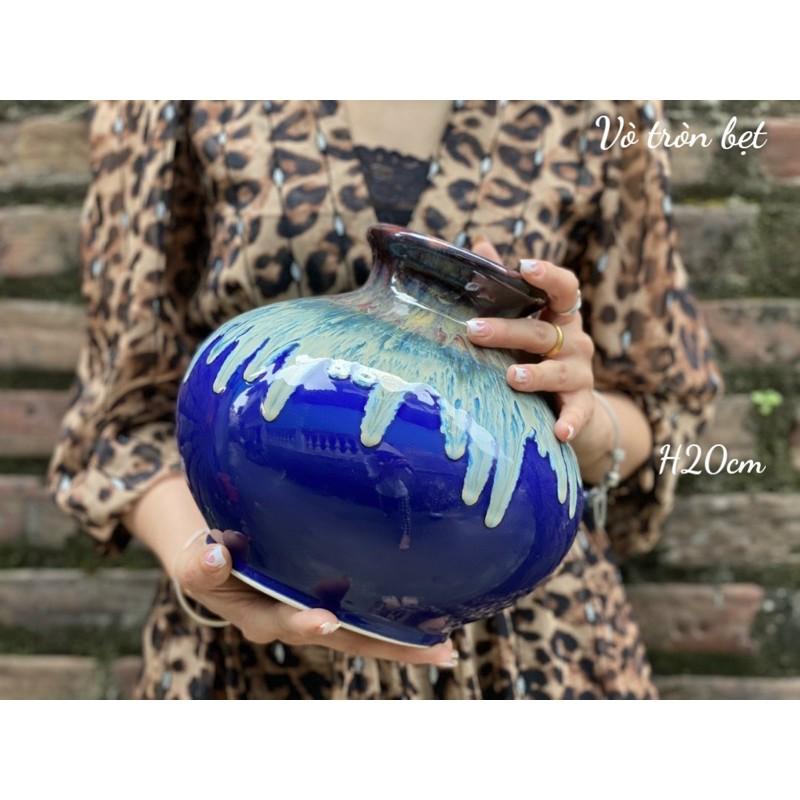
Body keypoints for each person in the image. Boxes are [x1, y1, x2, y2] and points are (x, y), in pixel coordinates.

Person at [48, 100, 721, 699]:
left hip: (525, 645)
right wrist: (203, 565)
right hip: (249, 637)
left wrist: (580, 420)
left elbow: (665, 406)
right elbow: (121, 415)